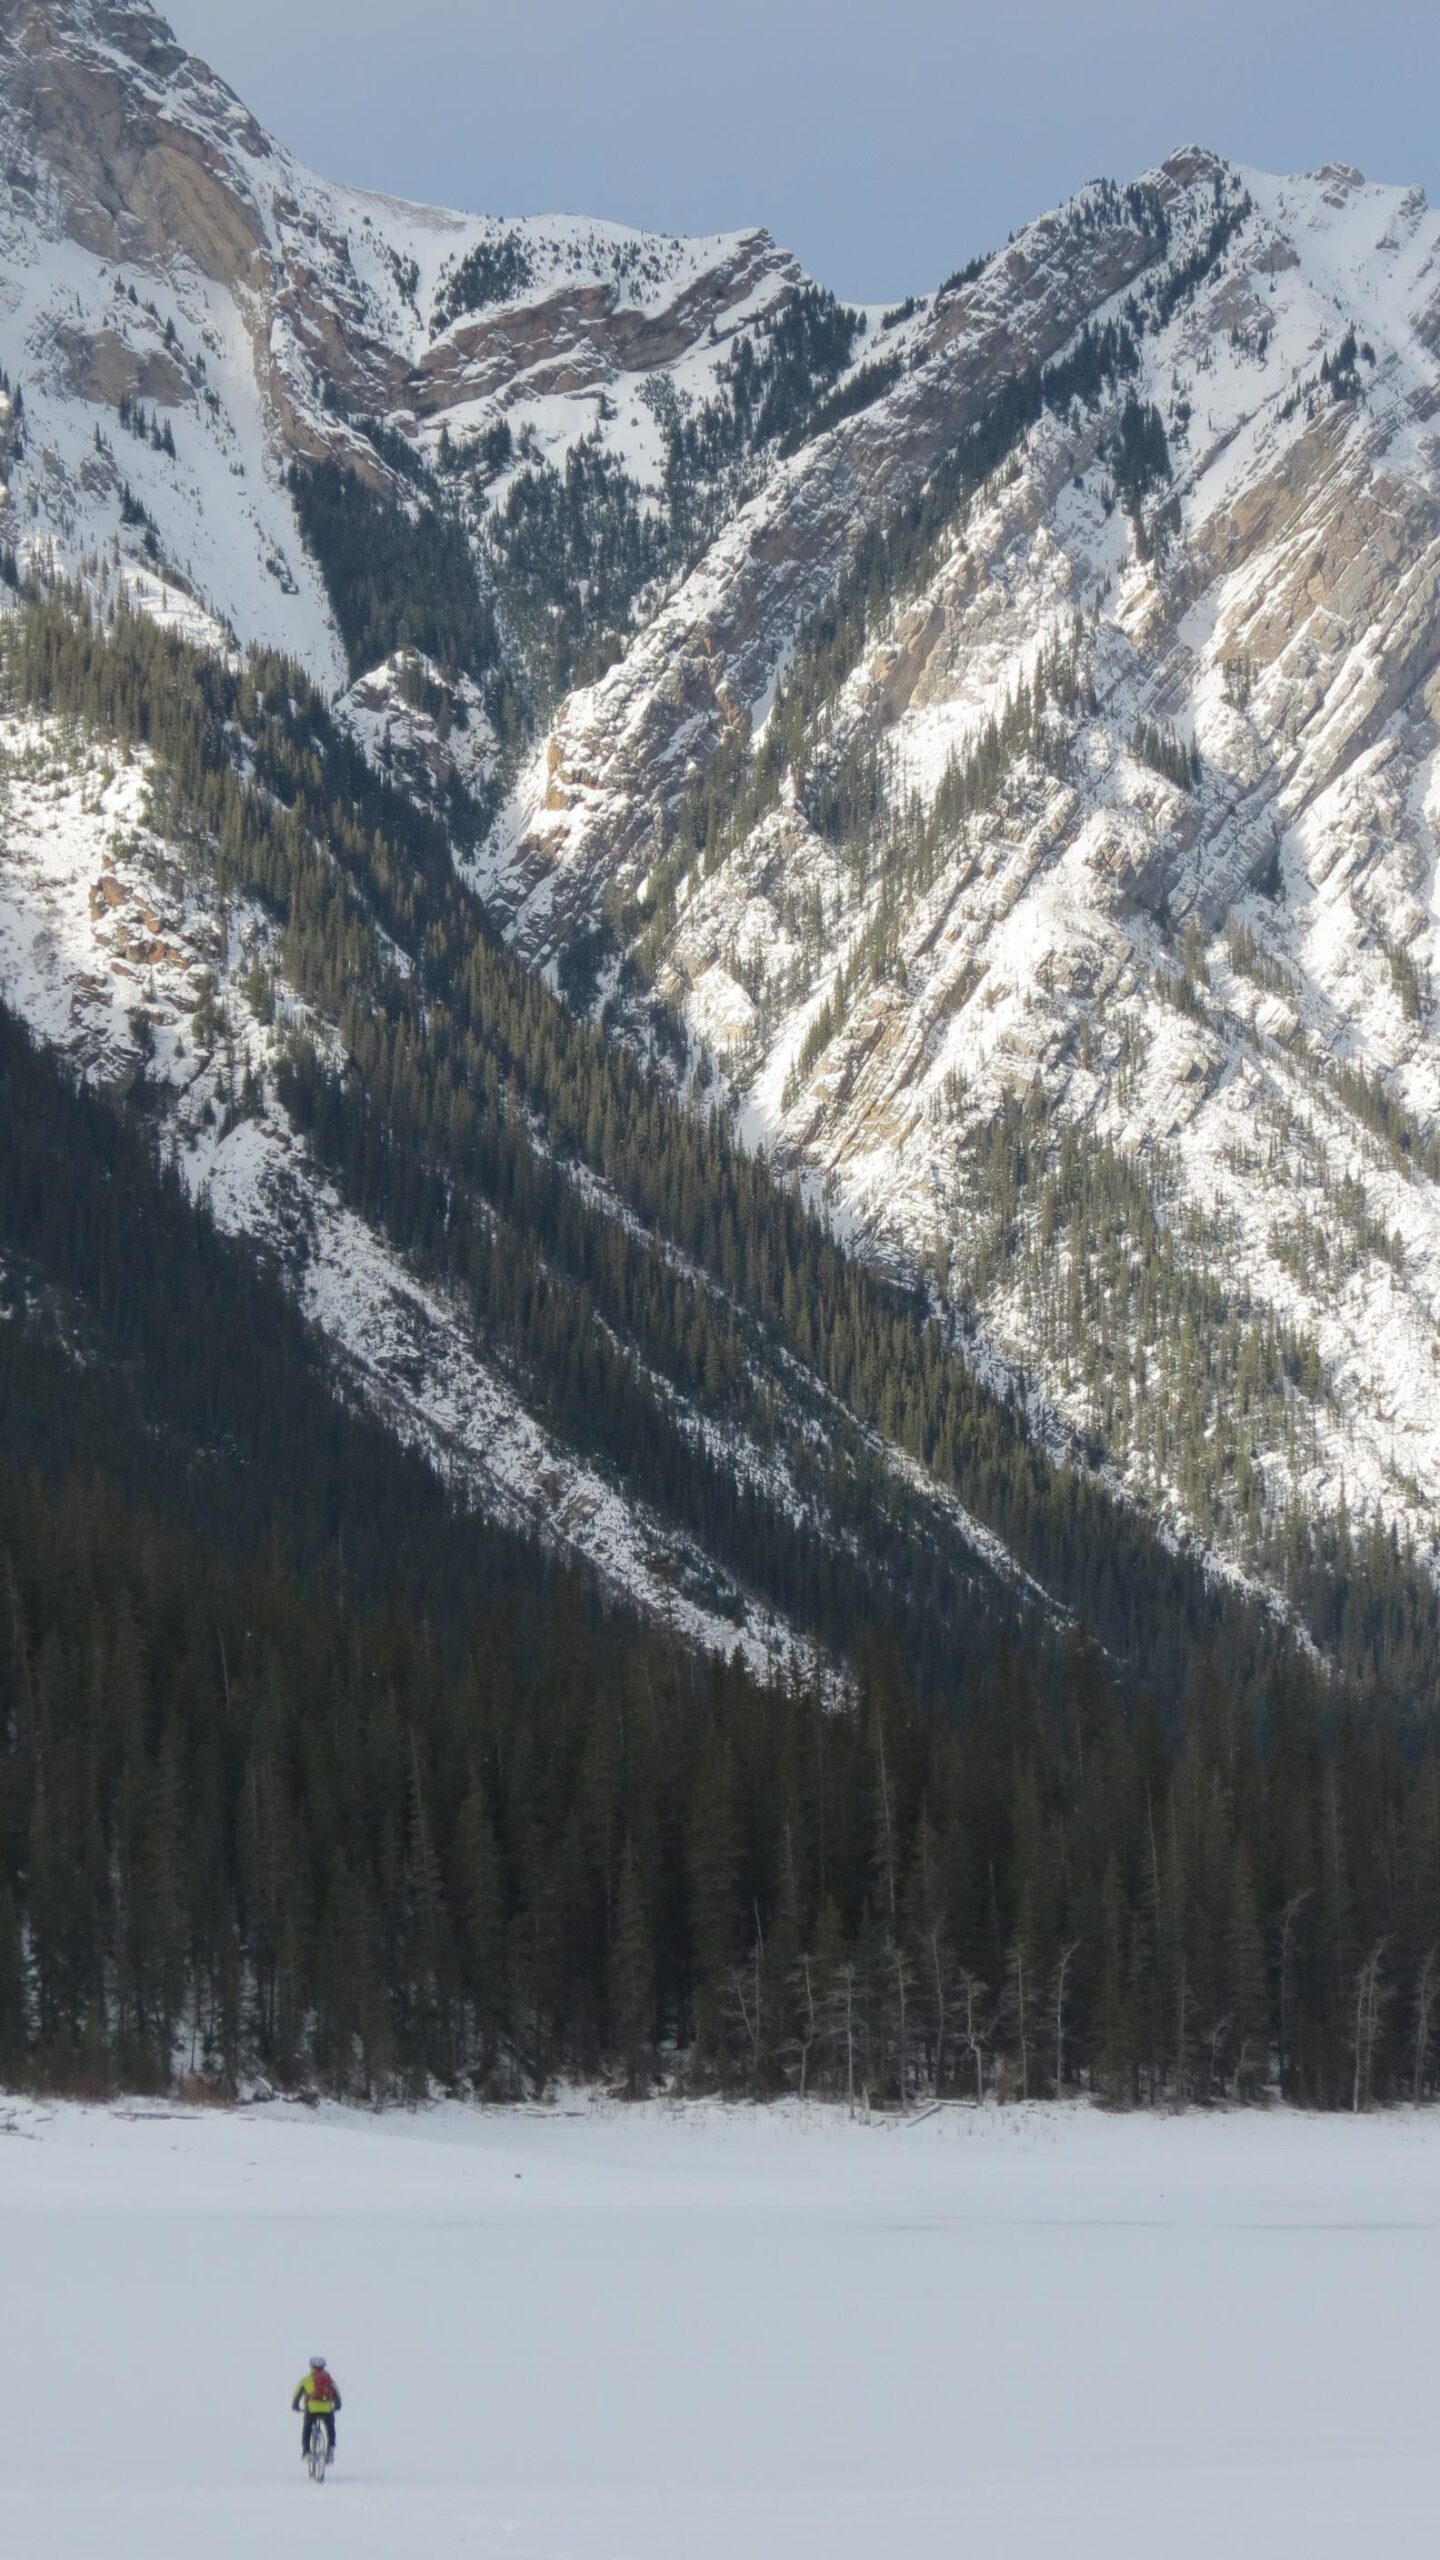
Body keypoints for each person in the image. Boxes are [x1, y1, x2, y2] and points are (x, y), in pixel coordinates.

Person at [292, 2355, 342, 2464]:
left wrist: (295, 2406)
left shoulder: (305, 2380)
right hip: (327, 2409)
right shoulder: (329, 2380)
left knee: (307, 2428)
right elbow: (337, 2395)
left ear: (311, 2367)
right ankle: (331, 2450)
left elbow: (297, 2395)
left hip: (311, 2409)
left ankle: (306, 2452)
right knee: (330, 2429)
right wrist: (337, 2406)